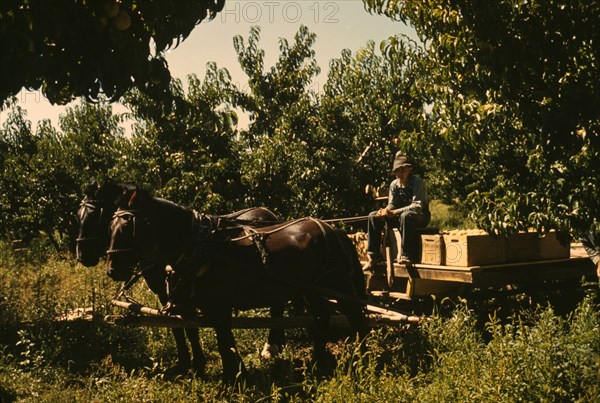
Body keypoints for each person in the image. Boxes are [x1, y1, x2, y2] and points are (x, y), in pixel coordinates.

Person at [363, 152, 430, 272]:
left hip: (419, 217)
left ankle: (406, 255)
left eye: (404, 171)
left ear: (409, 170)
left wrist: (394, 213)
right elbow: (392, 204)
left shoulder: (417, 182)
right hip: (400, 217)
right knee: (373, 216)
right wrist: (385, 210)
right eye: (398, 171)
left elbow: (417, 206)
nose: (401, 174)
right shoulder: (394, 184)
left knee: (406, 216)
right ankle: (373, 256)